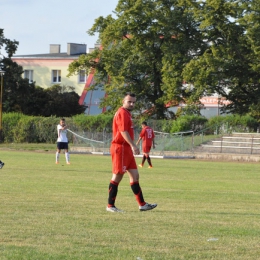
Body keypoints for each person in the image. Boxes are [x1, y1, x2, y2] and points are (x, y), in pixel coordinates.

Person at [107, 93, 157, 212]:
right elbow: (123, 131)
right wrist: (133, 145)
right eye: (129, 101)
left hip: (126, 149)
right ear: (123, 101)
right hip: (121, 148)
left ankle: (142, 204)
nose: (132, 104)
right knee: (118, 175)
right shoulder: (122, 113)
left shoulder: (127, 113)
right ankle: (110, 206)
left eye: (134, 102)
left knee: (135, 175)